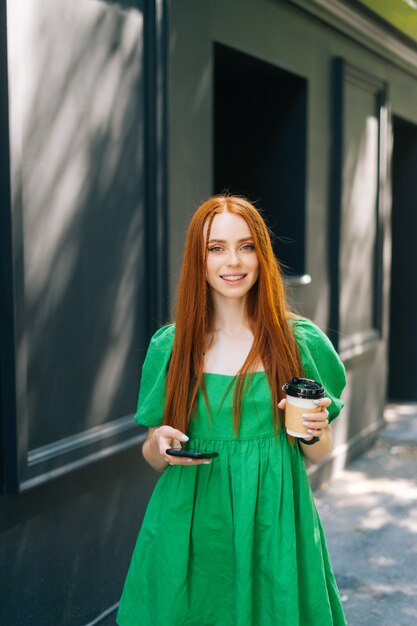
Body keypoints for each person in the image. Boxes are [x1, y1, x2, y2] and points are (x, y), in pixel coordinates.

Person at [116, 194, 347, 626]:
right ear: (198, 260)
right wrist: (159, 443)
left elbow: (317, 453)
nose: (233, 261)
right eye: (216, 248)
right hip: (192, 524)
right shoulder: (172, 346)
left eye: (246, 246)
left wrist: (315, 431)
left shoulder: (299, 342)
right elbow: (152, 455)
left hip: (274, 524)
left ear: (261, 254)